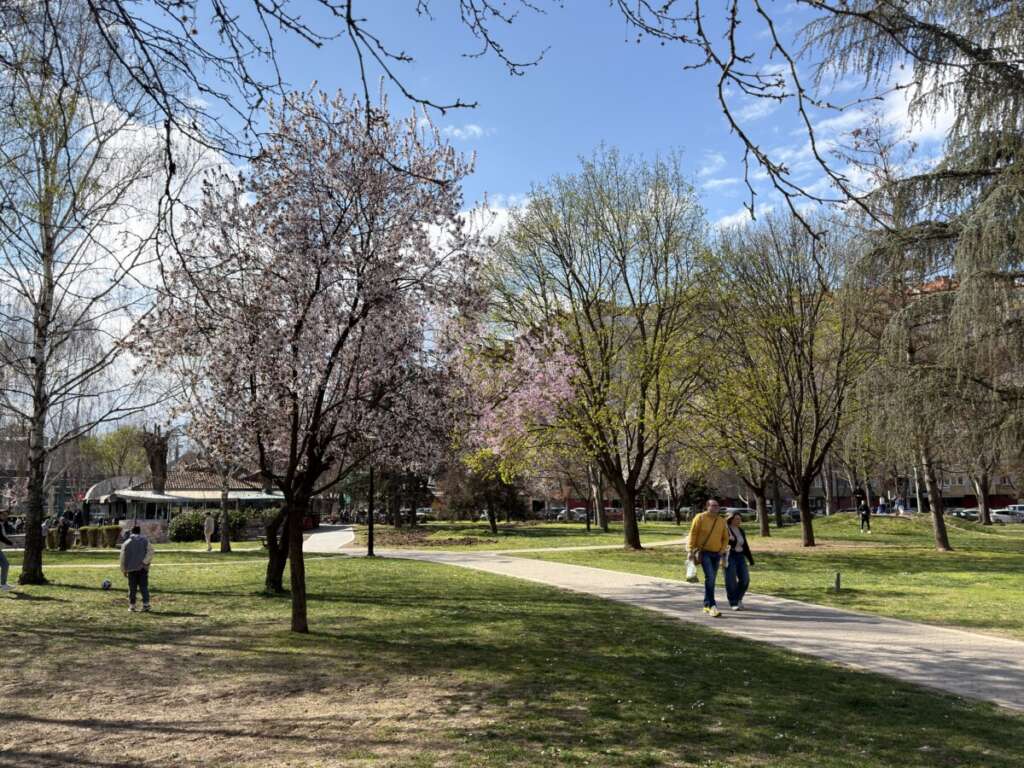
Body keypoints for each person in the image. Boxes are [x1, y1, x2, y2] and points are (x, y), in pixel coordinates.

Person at [687, 499, 729, 617]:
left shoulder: (721, 521)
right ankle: (712, 606)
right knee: (710, 577)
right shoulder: (700, 518)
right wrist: (690, 549)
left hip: (717, 553)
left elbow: (725, 537)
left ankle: (706, 604)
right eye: (713, 505)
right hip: (704, 552)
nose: (716, 507)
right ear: (707, 506)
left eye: (717, 506)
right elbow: (693, 533)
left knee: (711, 579)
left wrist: (722, 550)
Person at [724, 511, 755, 610]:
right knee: (731, 580)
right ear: (731, 519)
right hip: (730, 556)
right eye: (737, 519)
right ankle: (733, 602)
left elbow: (745, 546)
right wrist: (730, 540)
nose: (739, 521)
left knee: (745, 579)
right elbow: (723, 543)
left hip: (740, 556)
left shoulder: (740, 530)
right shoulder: (726, 529)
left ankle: (738, 598)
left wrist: (750, 560)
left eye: (740, 519)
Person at [119, 525, 154, 612]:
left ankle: (132, 605)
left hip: (131, 568)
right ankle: (146, 604)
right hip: (143, 568)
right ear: (139, 531)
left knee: (132, 588)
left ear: (131, 532)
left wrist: (123, 570)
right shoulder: (145, 541)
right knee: (144, 587)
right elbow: (151, 552)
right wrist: (145, 562)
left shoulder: (126, 543)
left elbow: (122, 557)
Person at [0, 510, 13, 592]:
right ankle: (3, 585)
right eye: (4, 515)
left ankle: (3, 584)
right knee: (5, 564)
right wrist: (10, 543)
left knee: (5, 565)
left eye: (6, 515)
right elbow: (0, 537)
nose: (6, 516)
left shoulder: (2, 524)